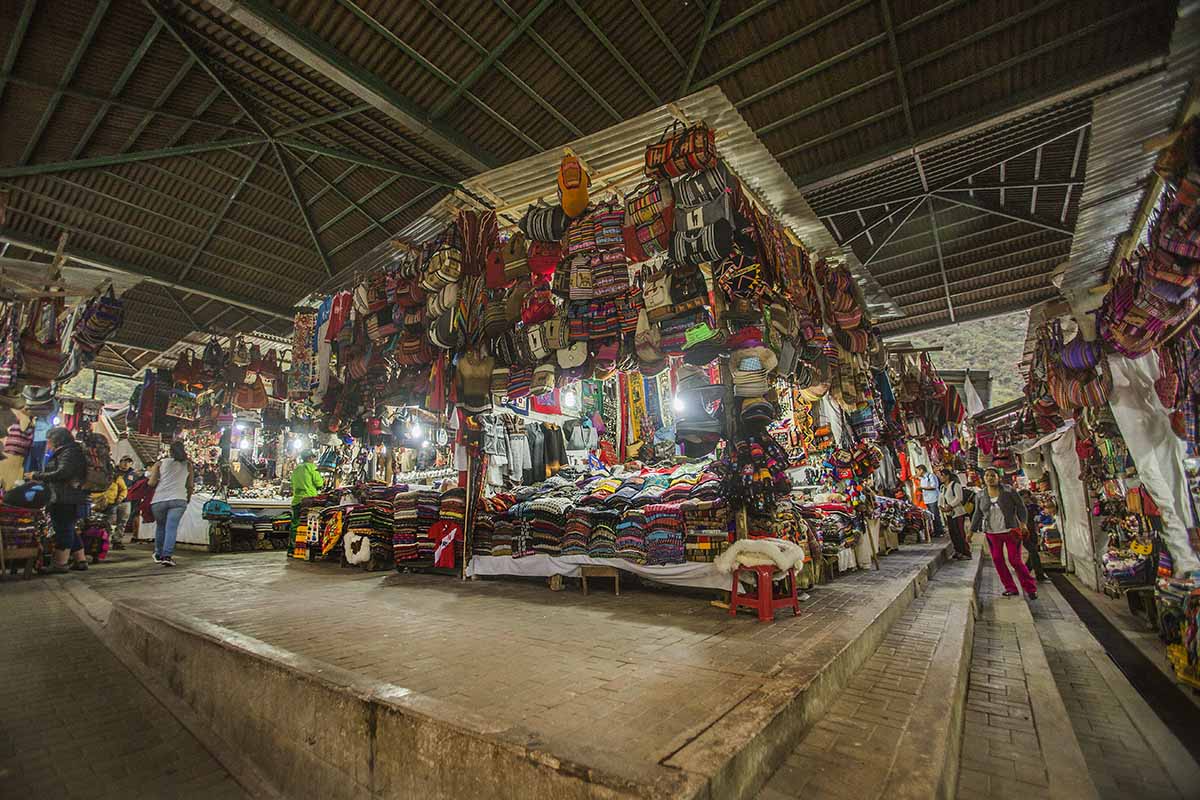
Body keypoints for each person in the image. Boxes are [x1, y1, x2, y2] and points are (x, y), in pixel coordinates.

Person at [25, 427, 89, 573]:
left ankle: (60, 563)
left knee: (63, 528)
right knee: (69, 528)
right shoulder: (70, 451)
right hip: (68, 496)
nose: (48, 444)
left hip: (65, 498)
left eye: (49, 440)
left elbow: (63, 473)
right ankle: (81, 560)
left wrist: (37, 476)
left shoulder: (70, 452)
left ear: (57, 440)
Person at [971, 468, 1037, 598]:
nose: (990, 478)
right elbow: (977, 513)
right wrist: (971, 531)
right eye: (987, 476)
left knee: (1015, 560)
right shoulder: (980, 495)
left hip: (1011, 531)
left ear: (998, 477)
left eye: (993, 475)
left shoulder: (1008, 490)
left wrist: (1023, 523)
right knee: (997, 559)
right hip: (992, 533)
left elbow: (1021, 507)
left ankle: (1030, 588)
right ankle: (1010, 587)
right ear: (984, 478)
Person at [147, 440, 193, 567]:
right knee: (171, 528)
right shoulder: (188, 465)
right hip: (179, 499)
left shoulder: (160, 463)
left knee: (161, 527)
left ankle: (158, 554)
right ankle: (167, 556)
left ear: (170, 451)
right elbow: (190, 485)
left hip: (159, 499)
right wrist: (187, 498)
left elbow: (151, 483)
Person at [938, 467, 972, 560]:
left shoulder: (955, 485)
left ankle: (966, 552)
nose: (941, 477)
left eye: (942, 475)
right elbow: (941, 498)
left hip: (957, 513)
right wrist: (941, 507)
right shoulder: (942, 487)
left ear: (947, 476)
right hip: (949, 514)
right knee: (953, 533)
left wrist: (950, 505)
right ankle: (958, 551)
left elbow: (959, 498)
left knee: (960, 533)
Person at [90, 471, 128, 549]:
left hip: (111, 504)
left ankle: (104, 543)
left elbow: (124, 489)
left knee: (107, 524)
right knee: (91, 523)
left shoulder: (116, 477)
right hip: (95, 504)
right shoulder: (93, 476)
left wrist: (120, 497)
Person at [1019, 489, 1049, 582]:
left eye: (1027, 497)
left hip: (1033, 532)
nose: (1026, 499)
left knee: (1033, 552)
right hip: (1023, 533)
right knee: (1033, 552)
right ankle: (1039, 575)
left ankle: (1025, 572)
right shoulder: (1017, 509)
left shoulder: (1033, 507)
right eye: (1024, 498)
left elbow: (1039, 517)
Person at [290, 450, 323, 520]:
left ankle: (294, 531)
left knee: (295, 522)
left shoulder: (297, 468)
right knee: (307, 523)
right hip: (308, 499)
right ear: (309, 458)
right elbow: (319, 483)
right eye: (313, 457)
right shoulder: (312, 467)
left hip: (296, 500)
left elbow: (292, 483)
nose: (314, 459)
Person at [916, 464, 944, 538]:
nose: (917, 473)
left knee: (935, 515)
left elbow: (934, 486)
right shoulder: (922, 479)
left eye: (917, 471)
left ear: (921, 470)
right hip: (927, 499)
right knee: (931, 516)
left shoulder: (931, 476)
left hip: (933, 498)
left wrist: (922, 488)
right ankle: (935, 530)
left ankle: (939, 531)